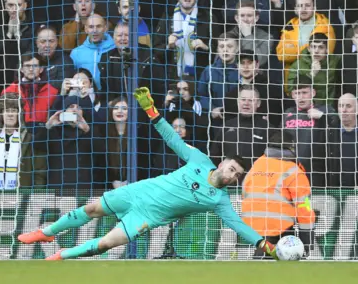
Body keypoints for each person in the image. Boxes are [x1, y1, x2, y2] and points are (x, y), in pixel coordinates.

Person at [17, 87, 278, 261]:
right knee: (92, 209)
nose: (232, 175)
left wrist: (263, 244)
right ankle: (47, 232)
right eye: (232, 168)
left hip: (148, 217)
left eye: (237, 175)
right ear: (222, 163)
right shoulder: (200, 159)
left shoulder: (218, 200)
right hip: (138, 192)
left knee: (107, 243)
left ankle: (62, 255)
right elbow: (172, 139)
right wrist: (153, 111)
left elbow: (238, 225)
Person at [241, 130, 315, 259]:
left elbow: (244, 192)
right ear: (292, 147)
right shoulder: (294, 171)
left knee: (261, 267)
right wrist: (306, 241)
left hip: (252, 229)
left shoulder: (258, 164)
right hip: (279, 230)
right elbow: (304, 207)